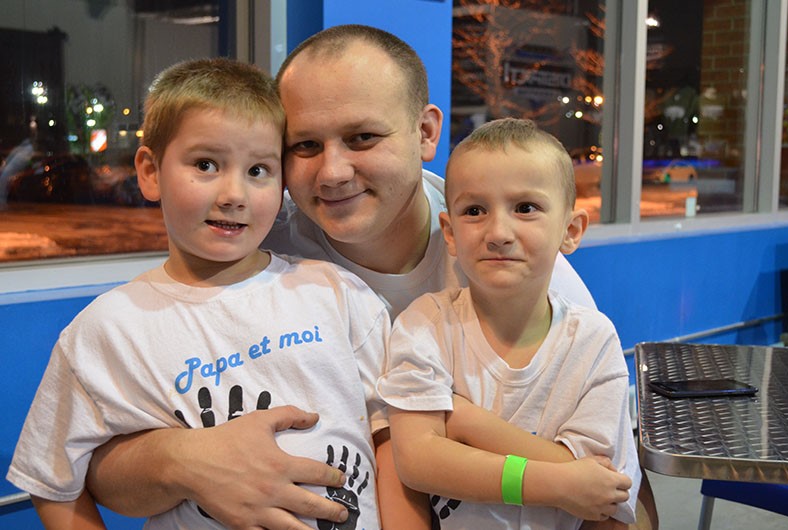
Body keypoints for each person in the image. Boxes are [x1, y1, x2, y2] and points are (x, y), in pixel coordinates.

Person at [85, 24, 657, 530]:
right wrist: (185, 460)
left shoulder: (513, 261)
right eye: (306, 145)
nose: (333, 172)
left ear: (425, 133)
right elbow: (99, 474)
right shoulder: (253, 251)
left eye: (362, 138)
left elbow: (619, 486)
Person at [6, 57, 395, 530]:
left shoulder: (336, 292)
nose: (234, 194)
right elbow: (51, 481)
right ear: (150, 172)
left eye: (258, 170)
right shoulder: (108, 328)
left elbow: (392, 438)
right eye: (206, 164)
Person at [377, 117, 641, 529]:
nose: (498, 232)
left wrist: (464, 422)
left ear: (571, 231)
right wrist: (555, 483)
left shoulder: (593, 340)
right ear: (450, 232)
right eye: (474, 211)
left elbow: (601, 483)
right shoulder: (424, 325)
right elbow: (416, 460)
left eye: (525, 208)